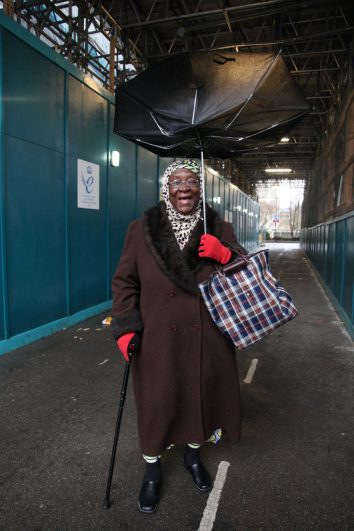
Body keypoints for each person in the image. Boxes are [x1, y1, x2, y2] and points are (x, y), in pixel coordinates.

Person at [111, 159, 246, 514]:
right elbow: (125, 282)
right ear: (165, 189)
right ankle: (152, 470)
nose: (183, 187)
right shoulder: (141, 230)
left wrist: (225, 253)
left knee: (199, 398)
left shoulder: (219, 227)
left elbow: (243, 272)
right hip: (158, 338)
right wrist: (125, 328)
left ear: (200, 188)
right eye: (176, 181)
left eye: (190, 180)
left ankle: (192, 456)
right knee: (158, 402)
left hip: (207, 338)